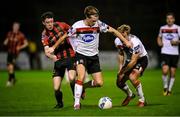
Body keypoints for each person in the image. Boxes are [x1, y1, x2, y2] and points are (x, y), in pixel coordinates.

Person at [48, 6, 132, 110]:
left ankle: (83, 87)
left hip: (94, 56)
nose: (94, 23)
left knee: (99, 83)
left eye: (96, 20)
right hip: (81, 54)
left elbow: (114, 31)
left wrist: (126, 41)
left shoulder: (99, 24)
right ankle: (77, 104)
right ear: (87, 17)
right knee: (81, 76)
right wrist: (53, 47)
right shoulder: (77, 26)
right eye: (92, 20)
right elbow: (64, 36)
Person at [41, 11, 76, 108]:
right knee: (56, 88)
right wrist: (53, 57)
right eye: (47, 22)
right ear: (43, 23)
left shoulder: (62, 25)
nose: (50, 24)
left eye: (51, 21)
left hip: (70, 56)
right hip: (58, 60)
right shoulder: (44, 35)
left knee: (72, 78)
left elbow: (74, 31)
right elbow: (47, 52)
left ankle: (76, 99)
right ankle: (60, 104)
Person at [115, 24, 148, 107]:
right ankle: (130, 95)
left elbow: (134, 61)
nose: (120, 37)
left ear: (126, 32)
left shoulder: (135, 42)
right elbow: (121, 53)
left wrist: (123, 71)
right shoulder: (117, 40)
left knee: (132, 77)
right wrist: (120, 69)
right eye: (119, 34)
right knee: (119, 81)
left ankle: (142, 100)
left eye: (122, 34)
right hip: (130, 60)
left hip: (141, 60)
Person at [157, 12, 180, 96]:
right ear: (166, 20)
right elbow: (159, 37)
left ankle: (169, 90)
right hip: (165, 52)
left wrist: (177, 42)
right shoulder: (162, 28)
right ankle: (165, 87)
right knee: (165, 70)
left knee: (173, 72)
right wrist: (159, 42)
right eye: (168, 18)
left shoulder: (178, 28)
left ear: (174, 19)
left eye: (171, 18)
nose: (169, 20)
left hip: (175, 53)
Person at [3, 22, 28, 87]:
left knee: (11, 66)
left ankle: (9, 80)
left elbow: (26, 43)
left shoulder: (21, 35)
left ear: (18, 27)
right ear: (13, 26)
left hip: (15, 53)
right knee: (9, 67)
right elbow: (6, 41)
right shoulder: (9, 33)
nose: (16, 27)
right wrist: (5, 42)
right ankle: (13, 79)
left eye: (17, 26)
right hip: (9, 52)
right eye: (15, 26)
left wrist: (20, 47)